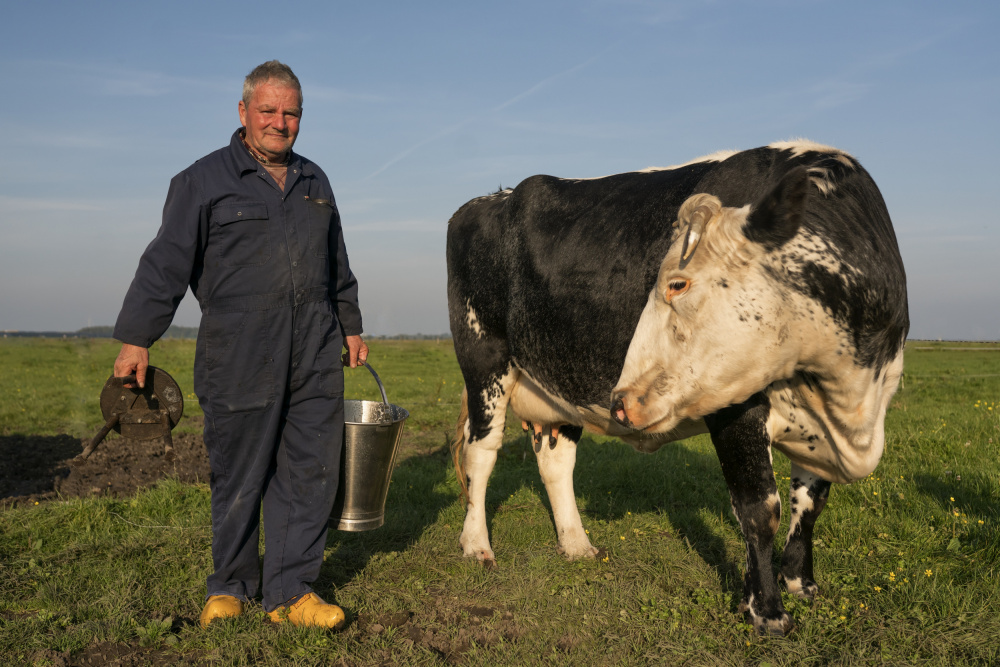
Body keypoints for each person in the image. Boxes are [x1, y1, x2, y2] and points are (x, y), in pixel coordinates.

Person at [112, 60, 367, 629]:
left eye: (291, 112)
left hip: (315, 349)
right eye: (269, 110)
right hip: (239, 349)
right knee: (238, 472)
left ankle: (292, 591)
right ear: (243, 112)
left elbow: (337, 265)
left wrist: (349, 324)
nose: (281, 122)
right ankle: (229, 587)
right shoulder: (201, 181)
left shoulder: (315, 181)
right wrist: (136, 338)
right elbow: (164, 264)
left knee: (309, 470)